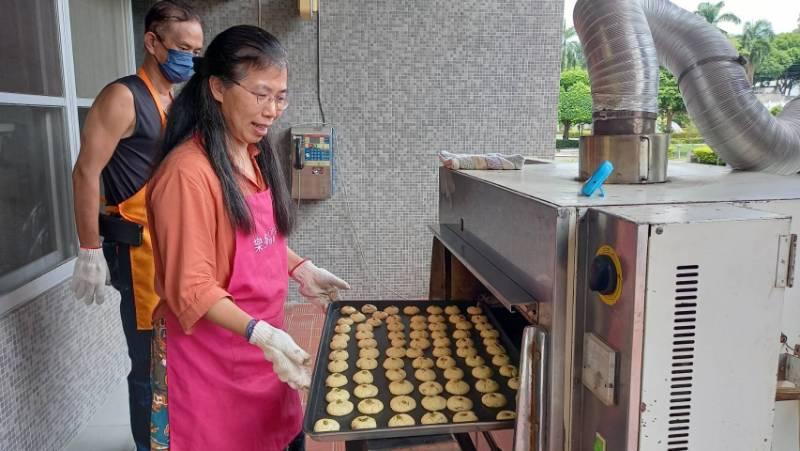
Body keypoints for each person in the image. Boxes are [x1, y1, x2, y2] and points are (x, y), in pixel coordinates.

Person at [146, 25, 350, 451]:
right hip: (209, 368)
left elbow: (253, 236)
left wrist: (299, 267)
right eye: (260, 94)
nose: (272, 110)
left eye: (280, 96)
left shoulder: (252, 154)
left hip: (263, 358)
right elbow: (191, 287)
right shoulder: (188, 174)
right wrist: (263, 334)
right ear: (218, 87)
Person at [69, 2, 203, 450]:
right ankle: (149, 445)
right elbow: (86, 171)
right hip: (139, 251)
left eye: (195, 51)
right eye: (182, 48)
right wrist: (89, 250)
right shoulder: (123, 97)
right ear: (151, 42)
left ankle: (177, 437)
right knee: (149, 360)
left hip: (179, 246)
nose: (189, 58)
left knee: (184, 353)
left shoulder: (178, 100)